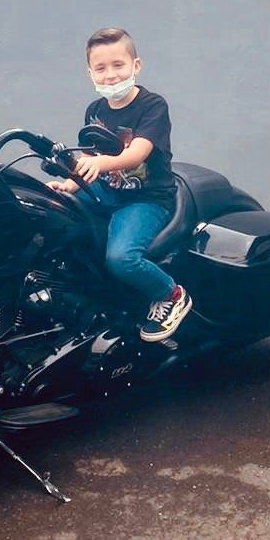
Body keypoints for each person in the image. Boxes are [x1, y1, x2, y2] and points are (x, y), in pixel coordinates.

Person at [48, 26, 193, 342]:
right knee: (48, 215)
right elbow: (89, 156)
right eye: (101, 68)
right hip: (106, 190)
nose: (110, 75)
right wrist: (72, 183)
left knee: (121, 258)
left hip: (146, 199)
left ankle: (171, 295)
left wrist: (98, 164)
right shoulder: (95, 110)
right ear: (90, 74)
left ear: (135, 66)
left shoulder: (153, 106)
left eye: (118, 65)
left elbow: (136, 153)